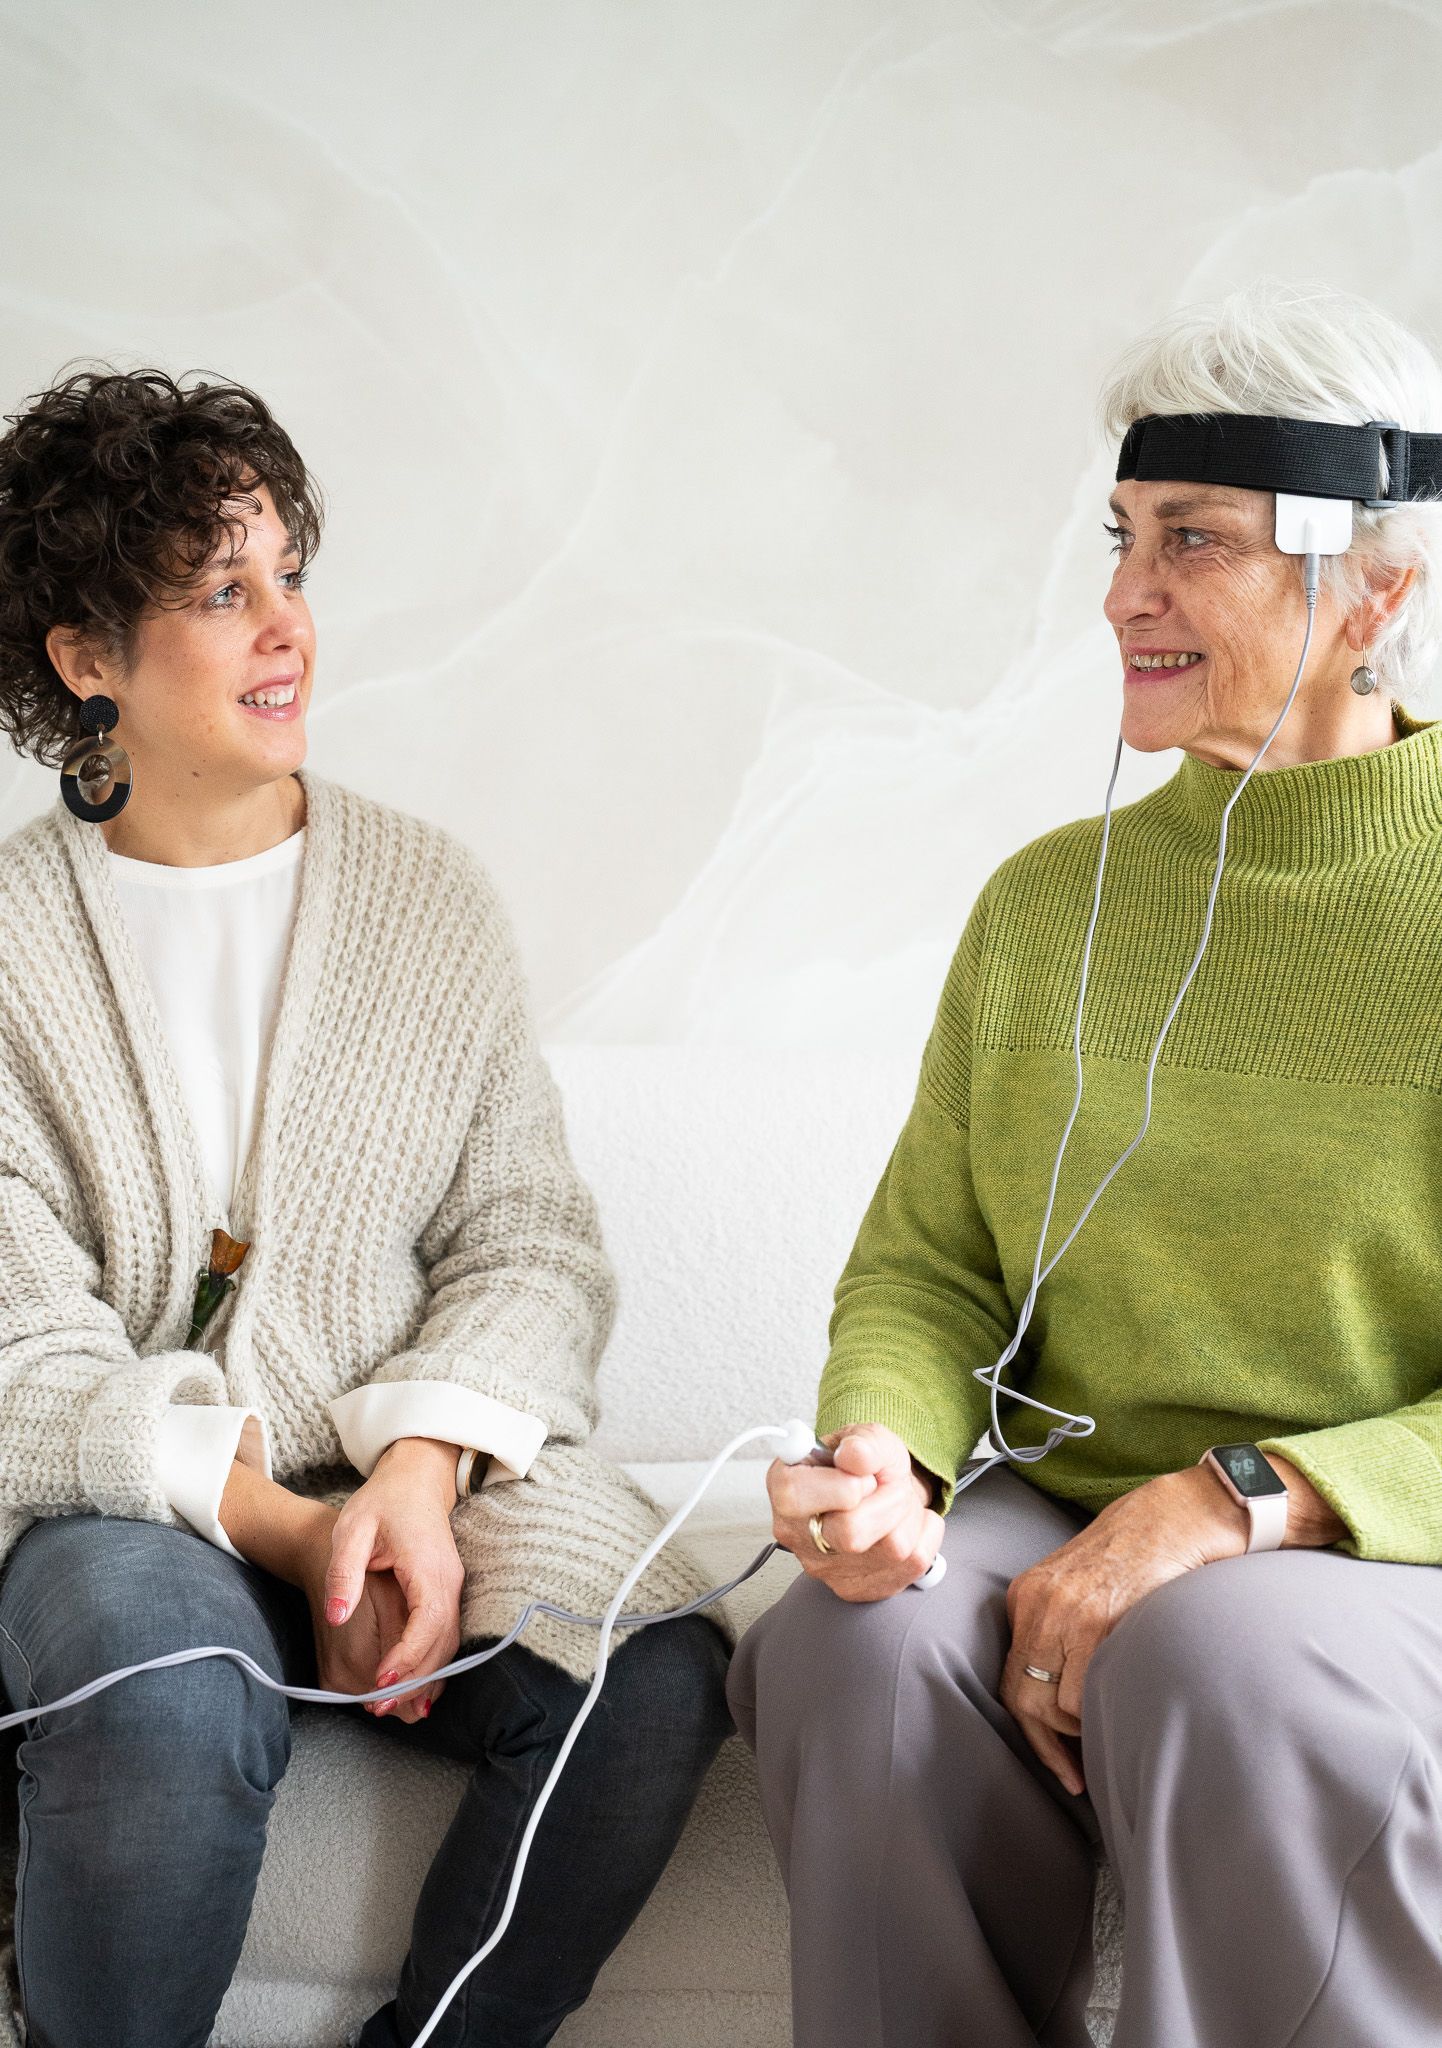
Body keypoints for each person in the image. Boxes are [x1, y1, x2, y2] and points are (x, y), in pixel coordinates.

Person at [727, 280, 1442, 2048]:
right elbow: (932, 1268)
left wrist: (1230, 1500)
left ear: (1372, 590)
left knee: (1216, 1659)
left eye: (1190, 540)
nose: (1123, 595)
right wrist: (884, 1452)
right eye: (1120, 536)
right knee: (852, 1650)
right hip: (1067, 1510)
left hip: (1375, 1551)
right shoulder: (1050, 907)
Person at [0, 365, 732, 2048]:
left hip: (406, 1466)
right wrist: (293, 1531)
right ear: (87, 659)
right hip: (124, 1509)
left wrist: (411, 1476)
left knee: (646, 1667)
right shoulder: (11, 945)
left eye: (289, 576)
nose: (287, 630)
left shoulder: (426, 897)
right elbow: (21, 1350)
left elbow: (528, 1243)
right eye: (219, 592)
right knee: (158, 1691)